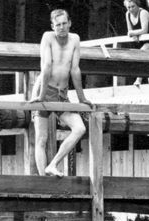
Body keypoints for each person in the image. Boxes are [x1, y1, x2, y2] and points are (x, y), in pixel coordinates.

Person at [33, 9, 92, 177]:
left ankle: (52, 165)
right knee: (41, 138)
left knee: (79, 128)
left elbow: (74, 69)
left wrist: (82, 99)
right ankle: (43, 181)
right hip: (45, 89)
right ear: (53, 26)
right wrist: (41, 96)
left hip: (61, 93)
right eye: (58, 25)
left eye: (64, 23)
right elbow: (46, 67)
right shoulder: (47, 37)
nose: (61, 27)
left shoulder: (75, 39)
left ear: (70, 23)